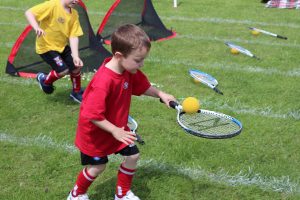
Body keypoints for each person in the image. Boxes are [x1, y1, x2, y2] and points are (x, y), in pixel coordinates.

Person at [67, 24, 176, 200]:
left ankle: (122, 193)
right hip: (95, 134)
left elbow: (143, 86)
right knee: (97, 167)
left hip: (117, 128)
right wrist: (115, 130)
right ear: (118, 56)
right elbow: (91, 114)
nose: (141, 64)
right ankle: (76, 194)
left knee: (133, 155)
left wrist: (160, 94)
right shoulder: (103, 81)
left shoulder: (128, 70)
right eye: (138, 60)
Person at [25, 0, 84, 103]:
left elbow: (73, 36)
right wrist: (36, 27)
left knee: (77, 66)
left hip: (61, 46)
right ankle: (44, 81)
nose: (75, 1)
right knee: (63, 71)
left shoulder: (74, 14)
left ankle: (76, 93)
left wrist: (75, 56)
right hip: (47, 47)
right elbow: (29, 12)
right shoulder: (52, 5)